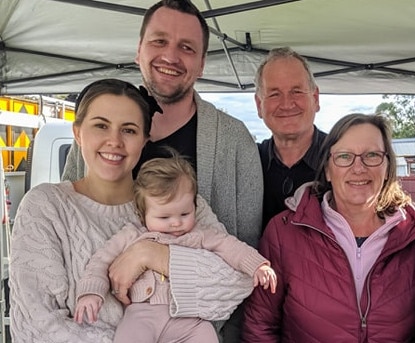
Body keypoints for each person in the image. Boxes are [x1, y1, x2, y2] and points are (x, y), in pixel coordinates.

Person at [61, 1, 263, 341]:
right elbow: (69, 239)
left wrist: (151, 253)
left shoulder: (233, 141)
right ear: (139, 49)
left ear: (201, 64)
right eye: (159, 41)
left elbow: (241, 272)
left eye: (186, 47)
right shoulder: (99, 140)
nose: (171, 55)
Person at [10, 79, 252, 343]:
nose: (114, 141)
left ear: (144, 141)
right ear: (78, 133)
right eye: (101, 125)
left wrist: (151, 253)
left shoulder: (181, 204)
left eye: (129, 130)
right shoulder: (46, 206)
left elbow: (236, 286)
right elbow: (37, 327)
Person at [242, 113, 415, 342]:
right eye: (344, 156)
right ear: (328, 170)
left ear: (388, 166)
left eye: (372, 155)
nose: (358, 168)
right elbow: (260, 326)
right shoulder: (284, 233)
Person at [74, 153, 277, 342]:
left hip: (190, 318)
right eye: (164, 217)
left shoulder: (199, 234)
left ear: (195, 208)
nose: (176, 223)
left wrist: (257, 265)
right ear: (141, 212)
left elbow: (231, 247)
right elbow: (101, 261)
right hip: (142, 315)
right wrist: (91, 292)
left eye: (185, 214)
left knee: (207, 334)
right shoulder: (132, 234)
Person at [254, 47, 327, 228]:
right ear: (259, 105)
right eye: (274, 94)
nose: (286, 104)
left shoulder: (343, 159)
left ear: (315, 98)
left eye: (296, 91)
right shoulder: (247, 161)